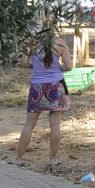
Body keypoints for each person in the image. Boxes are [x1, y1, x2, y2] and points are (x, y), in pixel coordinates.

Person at [13, 33, 73, 168]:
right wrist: (57, 67)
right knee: (55, 125)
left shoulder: (32, 44)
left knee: (29, 124)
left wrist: (35, 66)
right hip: (56, 85)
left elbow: (23, 63)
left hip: (37, 86)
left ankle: (18, 158)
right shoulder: (60, 44)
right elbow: (69, 67)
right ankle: (52, 159)